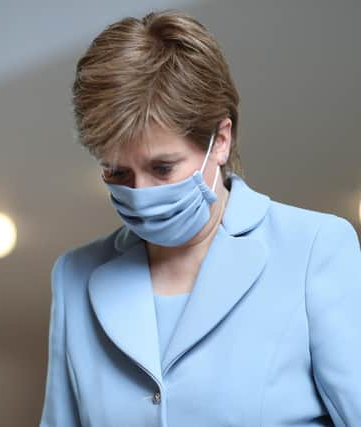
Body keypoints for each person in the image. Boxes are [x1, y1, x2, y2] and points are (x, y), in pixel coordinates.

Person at [38, 9, 361, 427]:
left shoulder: (315, 249)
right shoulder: (74, 277)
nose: (140, 194)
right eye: (118, 173)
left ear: (221, 140)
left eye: (163, 168)